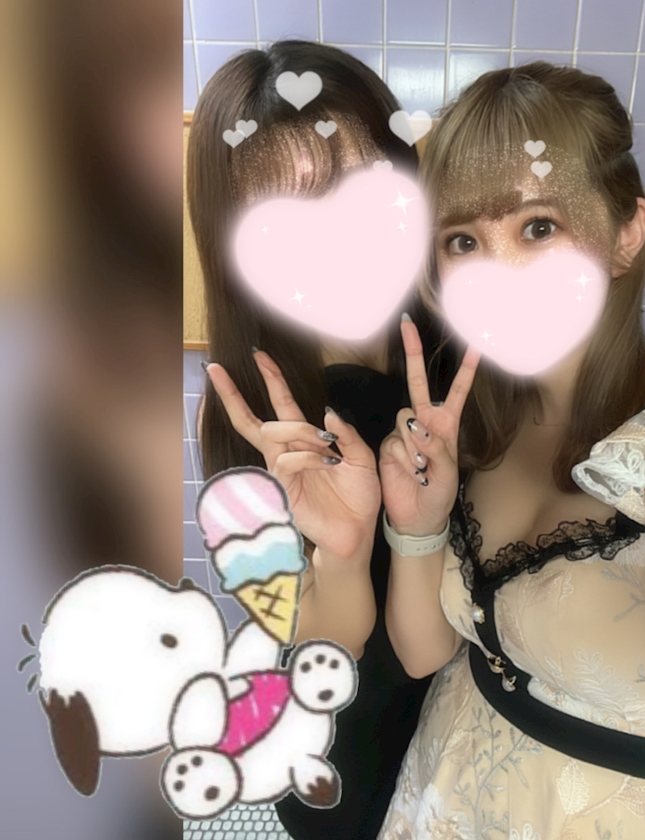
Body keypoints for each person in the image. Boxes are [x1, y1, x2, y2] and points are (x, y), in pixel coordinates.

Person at [379, 62, 645, 839]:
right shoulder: (474, 427)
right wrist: (418, 526)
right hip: (443, 796)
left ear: (626, 233)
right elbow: (425, 654)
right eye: (464, 241)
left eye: (538, 227)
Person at [188, 40, 449, 840]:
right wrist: (343, 553)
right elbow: (316, 646)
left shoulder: (457, 360)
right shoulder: (250, 422)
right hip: (347, 760)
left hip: (473, 738)